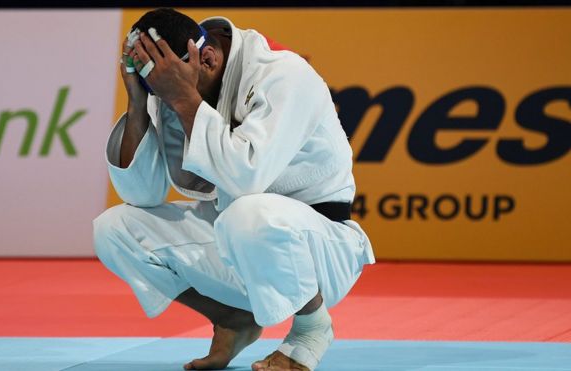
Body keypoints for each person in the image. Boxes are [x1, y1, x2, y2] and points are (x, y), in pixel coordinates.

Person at [93, 8, 374, 371]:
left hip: (317, 249)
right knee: (114, 230)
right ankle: (233, 319)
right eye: (156, 89)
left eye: (164, 90)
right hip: (239, 241)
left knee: (248, 214)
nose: (162, 98)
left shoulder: (281, 73)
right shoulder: (172, 79)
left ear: (206, 59)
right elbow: (142, 193)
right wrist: (137, 102)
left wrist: (182, 97)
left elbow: (247, 178)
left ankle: (310, 329)